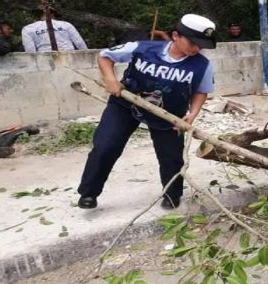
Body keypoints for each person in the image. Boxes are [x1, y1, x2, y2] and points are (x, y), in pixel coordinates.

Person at [77, 14, 217, 210]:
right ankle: (88, 193)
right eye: (192, 42)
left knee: (171, 157)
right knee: (106, 146)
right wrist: (111, 79)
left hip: (169, 114)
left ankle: (172, 195)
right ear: (176, 35)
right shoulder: (143, 48)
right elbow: (105, 56)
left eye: (201, 45)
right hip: (126, 105)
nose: (196, 48)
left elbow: (201, 91)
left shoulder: (202, 65)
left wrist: (192, 114)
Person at [21, 8, 88, 52]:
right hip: (68, 56)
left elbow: (30, 50)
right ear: (53, 14)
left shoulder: (28, 29)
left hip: (44, 59)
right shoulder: (66, 25)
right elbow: (80, 44)